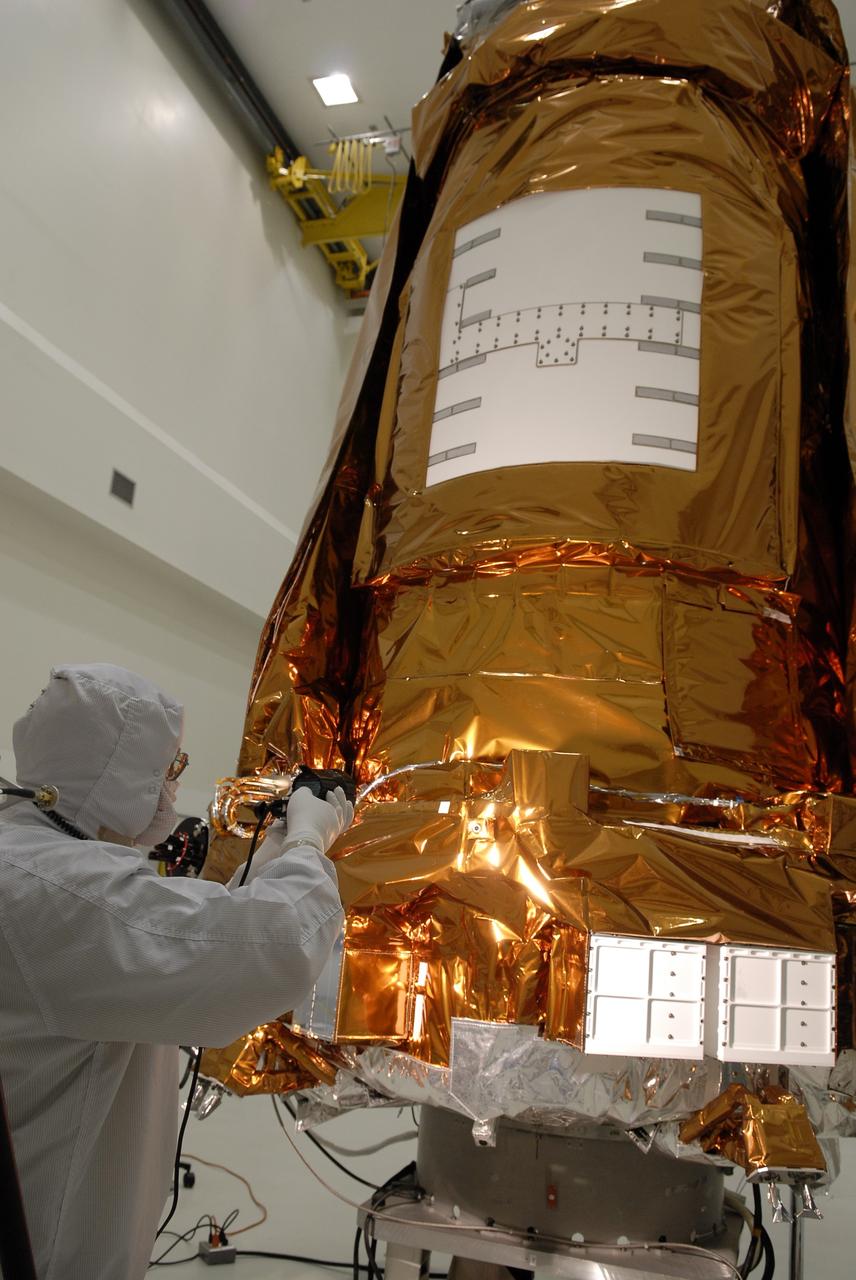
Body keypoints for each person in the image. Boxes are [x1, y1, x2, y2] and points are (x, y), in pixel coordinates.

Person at [0, 663, 352, 1280]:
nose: (171, 792)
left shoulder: (31, 857)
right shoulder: (63, 891)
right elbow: (277, 947)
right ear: (115, 773)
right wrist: (306, 844)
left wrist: (266, 863)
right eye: (168, 770)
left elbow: (184, 945)